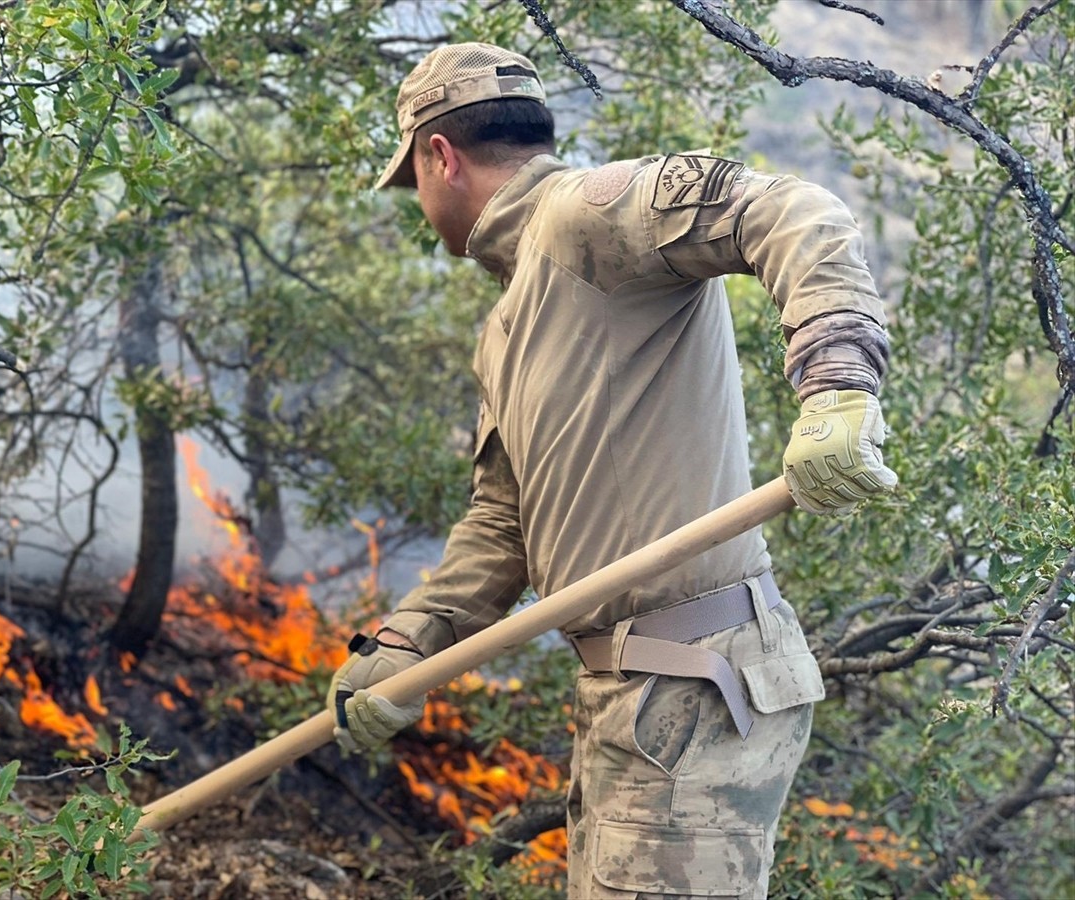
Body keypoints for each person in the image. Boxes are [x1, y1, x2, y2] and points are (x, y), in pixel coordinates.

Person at [326, 42, 897, 899]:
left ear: (439, 156)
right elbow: (502, 523)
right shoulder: (507, 331)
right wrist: (407, 644)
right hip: (630, 695)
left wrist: (838, 385)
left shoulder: (583, 217)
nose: (422, 206)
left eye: (413, 182)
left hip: (696, 683)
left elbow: (795, 211)